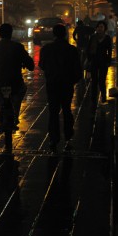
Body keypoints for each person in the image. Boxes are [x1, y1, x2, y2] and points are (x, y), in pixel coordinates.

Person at [0, 23, 35, 132]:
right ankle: (15, 114)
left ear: (0, 34)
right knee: (22, 90)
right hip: (16, 84)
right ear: (11, 34)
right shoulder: (18, 47)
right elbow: (31, 65)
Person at [39, 24, 82, 152]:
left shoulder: (46, 49)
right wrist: (73, 80)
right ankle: (68, 136)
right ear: (65, 34)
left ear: (53, 34)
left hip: (52, 84)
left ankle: (54, 138)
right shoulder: (72, 50)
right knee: (67, 109)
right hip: (67, 84)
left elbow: (42, 65)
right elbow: (77, 70)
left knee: (53, 111)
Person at [87, 20, 113, 103]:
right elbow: (89, 49)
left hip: (103, 61)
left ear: (105, 28)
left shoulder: (107, 38)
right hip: (94, 61)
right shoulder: (93, 37)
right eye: (98, 27)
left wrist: (109, 60)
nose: (99, 28)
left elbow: (109, 50)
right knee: (94, 80)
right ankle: (93, 98)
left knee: (102, 80)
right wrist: (89, 59)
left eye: (101, 27)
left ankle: (103, 97)